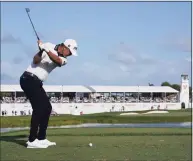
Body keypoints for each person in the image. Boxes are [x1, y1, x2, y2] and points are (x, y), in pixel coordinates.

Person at [20, 39, 78, 148]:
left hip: (36, 82)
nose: (69, 55)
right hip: (28, 78)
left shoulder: (63, 59)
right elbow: (36, 60)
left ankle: (41, 138)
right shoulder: (48, 45)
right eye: (69, 52)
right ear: (65, 46)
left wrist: (46, 50)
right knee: (39, 108)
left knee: (47, 108)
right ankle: (32, 141)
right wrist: (41, 51)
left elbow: (57, 60)